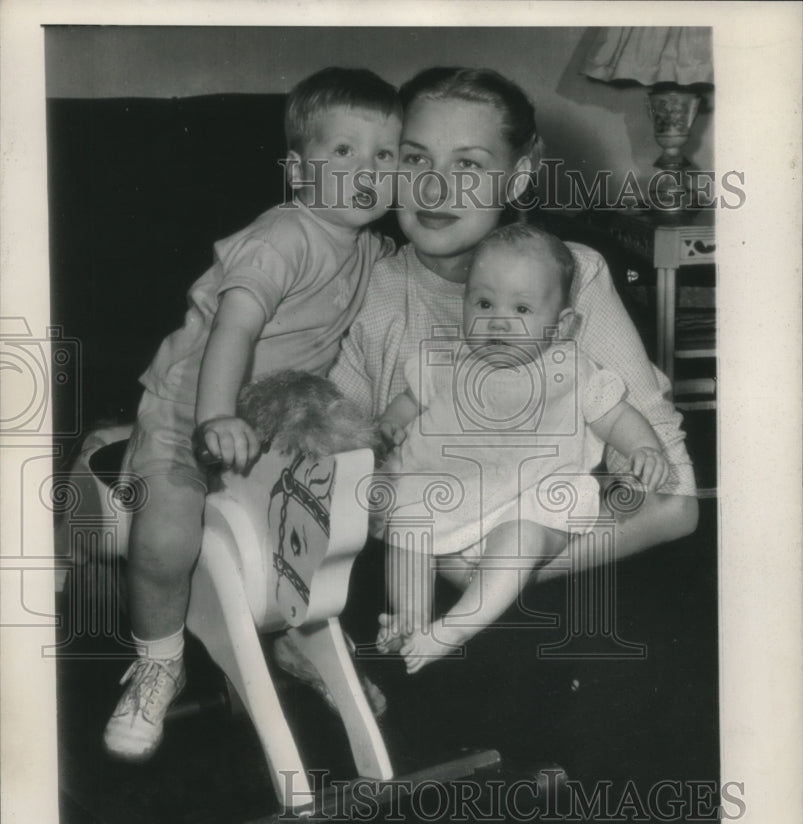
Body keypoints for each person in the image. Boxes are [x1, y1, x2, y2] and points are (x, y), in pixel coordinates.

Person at [103, 67, 402, 760]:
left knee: (322, 521)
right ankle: (158, 660)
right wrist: (212, 419)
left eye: (383, 156)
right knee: (164, 540)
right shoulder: (283, 238)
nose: (366, 171)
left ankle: (300, 642)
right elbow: (235, 329)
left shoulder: (363, 248)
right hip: (189, 412)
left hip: (269, 421)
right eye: (343, 152)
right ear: (297, 171)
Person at [328, 66, 698, 601]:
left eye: (469, 164)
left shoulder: (576, 274)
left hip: (550, 538)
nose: (434, 187)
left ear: (519, 175)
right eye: (415, 159)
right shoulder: (362, 290)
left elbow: (674, 498)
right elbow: (341, 471)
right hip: (417, 558)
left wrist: (495, 574)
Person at [373, 223, 669, 672]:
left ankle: (456, 626)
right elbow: (410, 400)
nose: (498, 320)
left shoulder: (572, 368)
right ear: (465, 303)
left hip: (532, 500)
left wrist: (646, 448)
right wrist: (392, 425)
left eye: (523, 308)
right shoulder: (446, 359)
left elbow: (616, 416)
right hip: (451, 492)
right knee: (406, 526)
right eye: (484, 303)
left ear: (563, 324)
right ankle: (410, 619)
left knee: (522, 536)